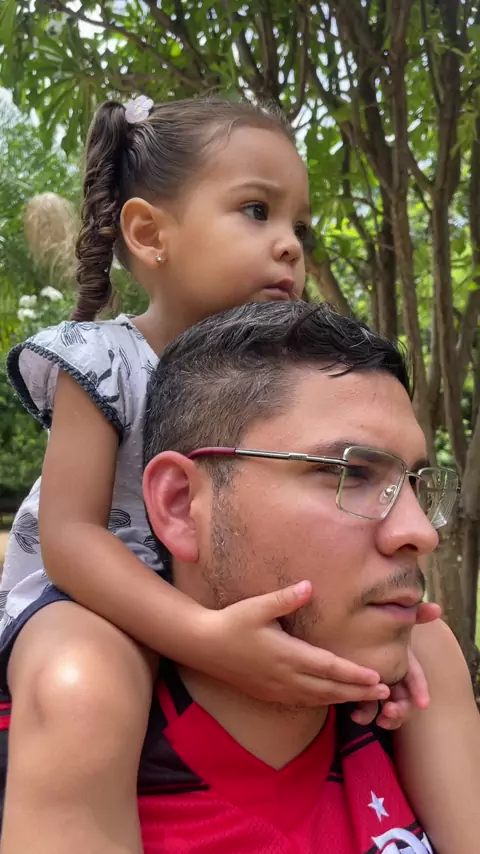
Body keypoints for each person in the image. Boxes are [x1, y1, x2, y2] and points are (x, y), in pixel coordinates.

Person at [0, 95, 426, 853]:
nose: (289, 245)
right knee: (83, 691)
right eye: (257, 211)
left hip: (203, 581)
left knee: (427, 653)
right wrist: (202, 637)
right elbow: (69, 538)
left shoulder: (292, 381)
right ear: (148, 233)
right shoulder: (102, 360)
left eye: (298, 226)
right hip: (88, 593)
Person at [135, 299, 476, 853]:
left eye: (414, 484)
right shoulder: (72, 755)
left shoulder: (422, 701)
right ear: (180, 506)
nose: (420, 532)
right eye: (353, 473)